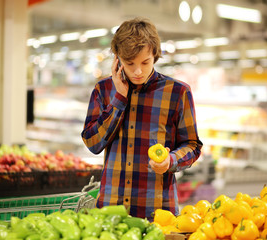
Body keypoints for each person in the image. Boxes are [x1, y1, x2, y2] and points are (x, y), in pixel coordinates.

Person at [81, 17, 203, 220]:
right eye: (130, 63)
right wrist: (119, 99)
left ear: (155, 55)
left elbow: (192, 145)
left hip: (158, 211)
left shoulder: (178, 92)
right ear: (117, 59)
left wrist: (170, 161)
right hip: (110, 211)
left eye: (145, 62)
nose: (138, 71)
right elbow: (93, 143)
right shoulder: (104, 90)